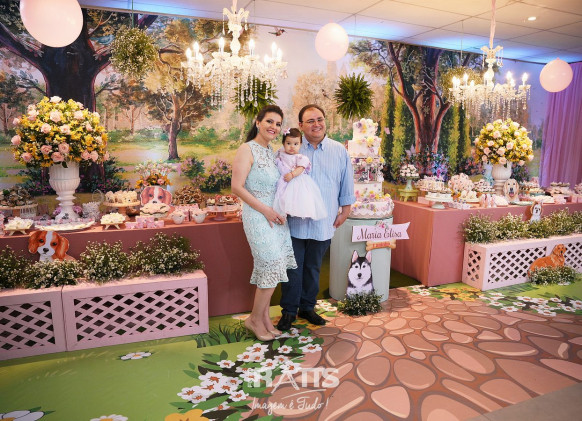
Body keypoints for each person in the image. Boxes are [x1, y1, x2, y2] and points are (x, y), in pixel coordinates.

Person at [277, 104, 355, 331]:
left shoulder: (338, 150)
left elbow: (346, 182)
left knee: (313, 267)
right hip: (294, 222)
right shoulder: (291, 149)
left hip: (324, 221)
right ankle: (289, 311)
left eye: (319, 119)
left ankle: (308, 307)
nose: (316, 124)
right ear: (300, 125)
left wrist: (346, 210)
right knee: (292, 268)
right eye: (310, 121)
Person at [231, 105, 297, 341]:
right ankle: (254, 320)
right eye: (269, 121)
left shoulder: (272, 152)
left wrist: (281, 209)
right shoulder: (246, 149)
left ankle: (265, 318)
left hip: (276, 216)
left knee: (276, 267)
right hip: (258, 215)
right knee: (270, 263)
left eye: (278, 124)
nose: (274, 127)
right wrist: (266, 211)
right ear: (258, 122)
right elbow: (236, 187)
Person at [273, 127, 327, 220]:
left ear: (300, 144)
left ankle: (293, 210)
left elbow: (301, 168)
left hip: (296, 180)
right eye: (288, 143)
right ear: (283, 143)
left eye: (296, 144)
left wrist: (292, 174)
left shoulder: (300, 157)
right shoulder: (280, 153)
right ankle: (282, 212)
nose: (292, 146)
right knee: (281, 195)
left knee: (296, 197)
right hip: (284, 179)